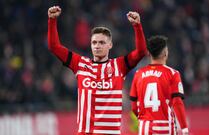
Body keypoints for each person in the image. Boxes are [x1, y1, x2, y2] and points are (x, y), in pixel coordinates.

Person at [47, 6, 147, 135]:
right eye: (94, 43)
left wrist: (137, 26)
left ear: (110, 45)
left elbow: (141, 52)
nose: (97, 46)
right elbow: (54, 46)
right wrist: (52, 20)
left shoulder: (119, 65)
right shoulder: (80, 64)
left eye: (101, 42)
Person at [129, 35, 188, 135]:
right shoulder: (173, 74)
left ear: (149, 54)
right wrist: (184, 128)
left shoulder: (139, 74)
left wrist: (145, 118)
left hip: (145, 128)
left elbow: (134, 107)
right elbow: (177, 102)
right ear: (165, 53)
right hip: (165, 127)